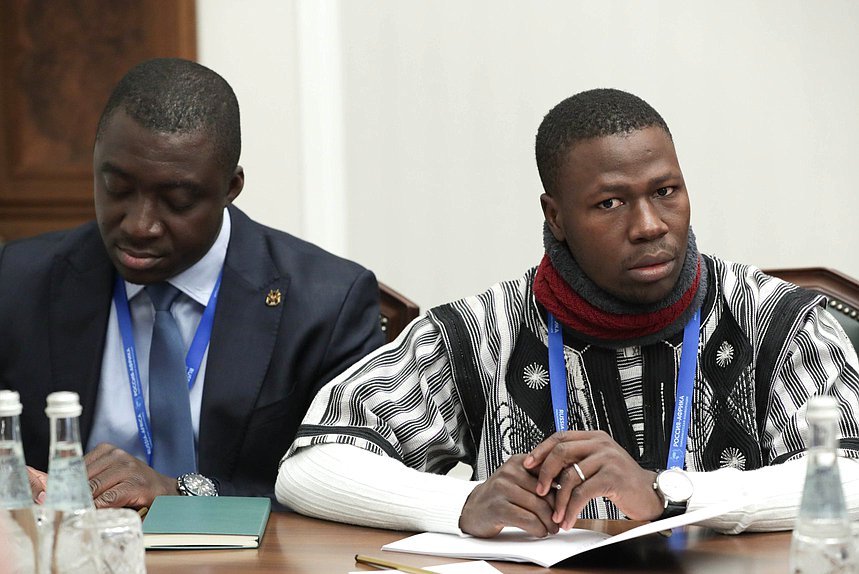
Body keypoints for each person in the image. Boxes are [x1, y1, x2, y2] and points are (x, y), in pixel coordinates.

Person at [276, 88, 859, 537]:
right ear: (555, 217)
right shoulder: (481, 332)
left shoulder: (777, 320)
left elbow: (852, 477)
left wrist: (669, 494)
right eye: (610, 202)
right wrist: (460, 504)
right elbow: (311, 466)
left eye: (665, 191)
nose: (650, 225)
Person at [0, 58, 385, 509]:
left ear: (230, 188)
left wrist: (180, 494)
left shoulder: (325, 304)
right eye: (117, 188)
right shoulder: (19, 279)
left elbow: (357, 486)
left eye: (177, 200)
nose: (140, 225)